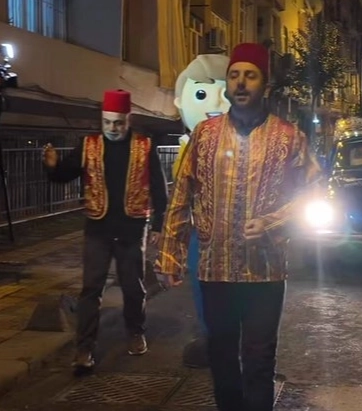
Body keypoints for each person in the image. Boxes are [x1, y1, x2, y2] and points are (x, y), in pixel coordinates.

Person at [155, 42, 322, 411]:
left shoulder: (289, 137)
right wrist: (170, 255)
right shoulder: (204, 135)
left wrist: (273, 222)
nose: (241, 83)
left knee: (260, 359)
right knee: (222, 356)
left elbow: (314, 192)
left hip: (265, 272)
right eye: (234, 76)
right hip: (215, 271)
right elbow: (181, 196)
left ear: (265, 85)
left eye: (250, 75)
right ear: (228, 84)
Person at [43, 89, 168, 374]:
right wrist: (51, 167)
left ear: (128, 119)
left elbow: (159, 189)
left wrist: (159, 225)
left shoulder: (145, 146)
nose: (112, 128)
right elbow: (64, 174)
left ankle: (135, 332)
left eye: (118, 123)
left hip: (132, 227)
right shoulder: (88, 145)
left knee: (133, 286)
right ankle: (84, 348)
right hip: (97, 228)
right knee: (91, 289)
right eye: (107, 122)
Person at [172, 53, 231, 369]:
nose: (215, 103)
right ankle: (211, 338)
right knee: (201, 285)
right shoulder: (187, 146)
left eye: (225, 93)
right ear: (179, 101)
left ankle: (232, 340)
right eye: (201, 94)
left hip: (234, 232)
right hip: (199, 231)